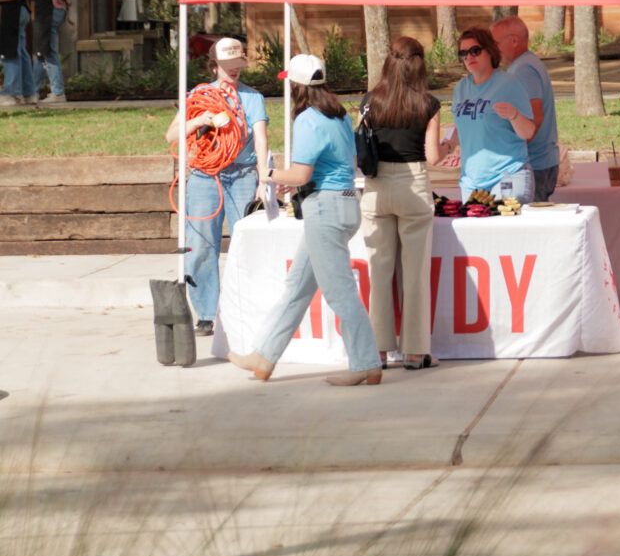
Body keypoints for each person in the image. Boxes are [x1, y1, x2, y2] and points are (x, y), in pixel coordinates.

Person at [229, 54, 381, 385]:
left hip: (325, 210)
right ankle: (264, 356)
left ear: (296, 86)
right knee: (297, 288)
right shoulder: (338, 114)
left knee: (340, 293)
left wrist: (269, 174)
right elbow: (336, 164)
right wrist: (292, 179)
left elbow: (300, 174)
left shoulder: (307, 119)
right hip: (342, 204)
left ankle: (366, 363)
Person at [166, 33, 272, 334]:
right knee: (200, 244)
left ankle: (248, 308)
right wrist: (201, 120)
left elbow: (261, 139)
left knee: (247, 242)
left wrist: (263, 178)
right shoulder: (198, 96)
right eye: (227, 65)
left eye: (238, 63)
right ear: (214, 66)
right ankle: (207, 313)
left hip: (242, 174)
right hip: (205, 175)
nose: (234, 69)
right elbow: (171, 136)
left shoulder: (252, 98)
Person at [360, 35, 444, 371]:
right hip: (413, 183)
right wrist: (450, 147)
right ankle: (415, 351)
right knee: (415, 272)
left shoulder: (371, 101)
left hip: (377, 185)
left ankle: (378, 349)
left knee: (379, 271)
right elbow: (433, 157)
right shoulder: (429, 104)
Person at [444, 22, 539, 202]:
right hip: (471, 181)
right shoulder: (460, 89)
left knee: (504, 221)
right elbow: (462, 128)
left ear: (489, 51)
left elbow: (528, 132)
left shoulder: (509, 84)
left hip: (507, 176)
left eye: (475, 51)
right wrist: (446, 145)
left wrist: (514, 115)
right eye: (463, 53)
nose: (469, 57)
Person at [492, 14, 560, 201]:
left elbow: (535, 117)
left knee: (526, 217)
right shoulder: (525, 64)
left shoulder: (523, 69)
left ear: (514, 41)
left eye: (495, 43)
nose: (493, 49)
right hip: (540, 161)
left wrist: (511, 148)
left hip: (535, 163)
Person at [0, 0, 25, 110]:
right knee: (21, 51)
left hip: (15, 12)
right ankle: (29, 91)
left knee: (11, 51)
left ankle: (12, 92)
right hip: (16, 11)